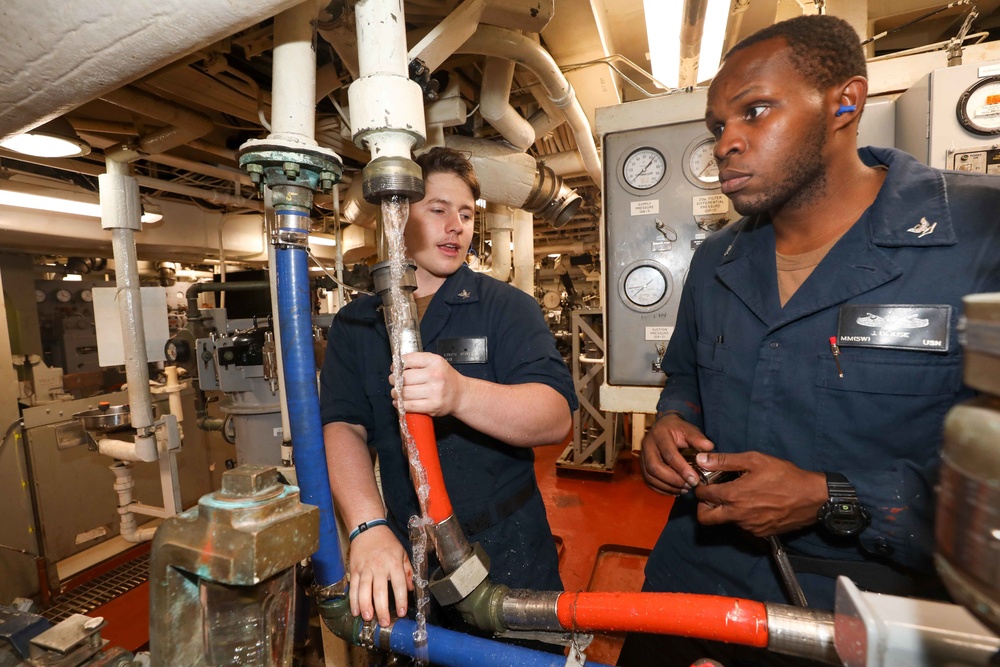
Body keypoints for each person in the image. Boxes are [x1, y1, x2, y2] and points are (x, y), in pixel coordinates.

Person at [617, 15, 1000, 667]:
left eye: (755, 111)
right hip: (694, 585)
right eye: (717, 128)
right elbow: (685, 379)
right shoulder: (716, 261)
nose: (726, 144)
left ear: (845, 102)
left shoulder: (979, 234)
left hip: (863, 607)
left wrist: (832, 497)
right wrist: (671, 424)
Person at [319, 147, 577, 638]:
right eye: (438, 210)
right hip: (405, 546)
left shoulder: (506, 308)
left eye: (465, 214)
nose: (456, 225)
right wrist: (367, 527)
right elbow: (344, 425)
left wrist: (461, 394)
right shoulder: (357, 322)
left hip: (508, 545)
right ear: (395, 217)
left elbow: (554, 416)